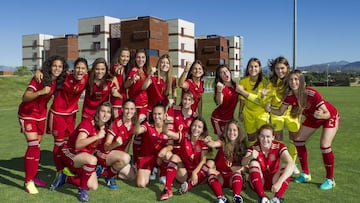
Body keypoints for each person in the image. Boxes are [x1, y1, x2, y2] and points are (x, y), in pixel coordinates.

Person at [265, 70, 339, 190]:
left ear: (301, 81)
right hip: (312, 118)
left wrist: (320, 115)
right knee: (298, 140)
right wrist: (269, 109)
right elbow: (280, 112)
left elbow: (327, 113)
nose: (293, 82)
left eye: (296, 79)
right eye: (291, 79)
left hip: (329, 116)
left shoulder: (312, 93)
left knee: (325, 146)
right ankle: (305, 174)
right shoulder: (289, 96)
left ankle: (330, 179)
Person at [18, 55, 68, 194]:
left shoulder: (57, 81)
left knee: (37, 147)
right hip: (27, 114)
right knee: (33, 145)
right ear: (49, 67)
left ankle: (33, 176)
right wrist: (40, 91)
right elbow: (25, 97)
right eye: (54, 65)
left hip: (41, 116)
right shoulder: (39, 78)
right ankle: (28, 181)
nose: (57, 68)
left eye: (60, 66)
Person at [50, 102, 114, 202]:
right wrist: (96, 137)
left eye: (108, 112)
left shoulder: (104, 127)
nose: (105, 114)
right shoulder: (88, 123)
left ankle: (66, 178)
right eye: (103, 111)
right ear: (97, 112)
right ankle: (82, 191)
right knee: (92, 160)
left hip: (83, 157)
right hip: (69, 151)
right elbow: (78, 145)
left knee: (93, 186)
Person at [45, 58, 89, 172]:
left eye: (83, 68)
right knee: (59, 143)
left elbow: (102, 75)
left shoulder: (86, 78)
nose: (80, 70)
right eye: (78, 67)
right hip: (58, 115)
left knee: (68, 143)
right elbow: (49, 73)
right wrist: (39, 71)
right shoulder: (64, 76)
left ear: (86, 70)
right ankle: (60, 170)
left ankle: (66, 167)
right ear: (73, 69)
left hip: (71, 115)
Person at [160, 117, 210, 201]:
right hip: (184, 174)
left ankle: (188, 186)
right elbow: (167, 132)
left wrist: (194, 173)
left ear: (202, 130)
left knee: (210, 163)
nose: (196, 129)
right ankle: (167, 189)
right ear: (191, 126)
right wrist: (165, 123)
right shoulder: (184, 135)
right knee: (175, 157)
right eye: (194, 125)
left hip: (197, 175)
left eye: (199, 127)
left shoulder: (203, 141)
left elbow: (203, 161)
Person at [242, 124, 295, 203]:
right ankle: (262, 197)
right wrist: (250, 157)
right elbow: (243, 162)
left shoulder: (279, 146)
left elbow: (291, 164)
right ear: (259, 137)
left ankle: (277, 198)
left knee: (285, 166)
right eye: (262, 136)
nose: (265, 139)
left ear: (273, 137)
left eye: (268, 136)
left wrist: (279, 182)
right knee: (253, 163)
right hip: (258, 181)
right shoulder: (254, 147)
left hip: (274, 180)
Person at [267, 56, 300, 174]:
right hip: (276, 112)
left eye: (282, 68)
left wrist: (299, 115)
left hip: (291, 112)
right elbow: (267, 98)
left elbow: (299, 96)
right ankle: (281, 164)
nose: (280, 71)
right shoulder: (271, 82)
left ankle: (292, 163)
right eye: (277, 69)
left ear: (287, 68)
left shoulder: (292, 80)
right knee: (278, 139)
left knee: (295, 138)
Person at [95, 99, 136, 190]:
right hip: (104, 153)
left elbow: (128, 143)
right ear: (122, 109)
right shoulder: (116, 123)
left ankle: (103, 171)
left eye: (132, 109)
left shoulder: (133, 124)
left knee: (132, 176)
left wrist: (123, 160)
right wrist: (116, 144)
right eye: (126, 109)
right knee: (126, 158)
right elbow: (106, 146)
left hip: (118, 156)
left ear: (135, 110)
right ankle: (109, 176)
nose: (129, 111)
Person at [204, 120, 247, 203]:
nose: (231, 132)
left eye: (234, 130)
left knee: (237, 172)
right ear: (226, 132)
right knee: (210, 171)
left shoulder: (242, 146)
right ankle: (221, 197)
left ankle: (236, 196)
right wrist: (208, 141)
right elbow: (214, 144)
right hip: (220, 177)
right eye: (229, 130)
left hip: (233, 178)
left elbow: (247, 167)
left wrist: (239, 168)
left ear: (239, 132)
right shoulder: (223, 141)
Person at [133, 103, 169, 188]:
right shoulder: (147, 126)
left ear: (165, 115)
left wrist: (167, 148)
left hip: (160, 158)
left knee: (168, 154)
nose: (157, 117)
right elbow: (136, 132)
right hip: (146, 158)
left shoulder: (168, 128)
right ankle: (152, 170)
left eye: (159, 114)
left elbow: (171, 144)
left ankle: (162, 172)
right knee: (141, 184)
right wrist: (138, 121)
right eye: (154, 114)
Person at [239, 58, 270, 146]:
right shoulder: (243, 81)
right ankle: (252, 157)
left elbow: (263, 101)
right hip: (248, 112)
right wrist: (240, 112)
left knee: (263, 136)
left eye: (256, 66)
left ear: (260, 68)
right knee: (251, 137)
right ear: (247, 68)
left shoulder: (265, 82)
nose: (253, 69)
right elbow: (242, 99)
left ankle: (263, 157)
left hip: (261, 113)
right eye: (251, 66)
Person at [142, 53, 177, 118]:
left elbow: (174, 93)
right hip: (151, 110)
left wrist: (173, 101)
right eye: (162, 62)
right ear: (159, 64)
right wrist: (149, 75)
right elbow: (143, 87)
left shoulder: (172, 79)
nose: (165, 65)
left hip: (164, 109)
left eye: (167, 63)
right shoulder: (153, 77)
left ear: (170, 65)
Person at [211, 64, 240, 137]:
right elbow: (219, 102)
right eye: (222, 72)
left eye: (226, 71)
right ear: (220, 76)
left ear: (230, 72)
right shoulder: (221, 88)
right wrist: (219, 91)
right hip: (219, 119)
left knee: (232, 141)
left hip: (230, 119)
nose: (225, 73)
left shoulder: (236, 86)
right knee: (223, 141)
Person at [124, 49, 148, 122]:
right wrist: (131, 80)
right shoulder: (134, 70)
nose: (140, 60)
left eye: (143, 57)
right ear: (135, 59)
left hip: (145, 105)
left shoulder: (145, 70)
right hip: (137, 105)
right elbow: (126, 85)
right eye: (138, 57)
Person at [109, 47, 131, 118]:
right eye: (123, 56)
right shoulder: (115, 66)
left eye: (127, 56)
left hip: (122, 103)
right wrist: (118, 69)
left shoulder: (125, 68)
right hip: (116, 103)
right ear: (118, 57)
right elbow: (116, 69)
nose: (125, 59)